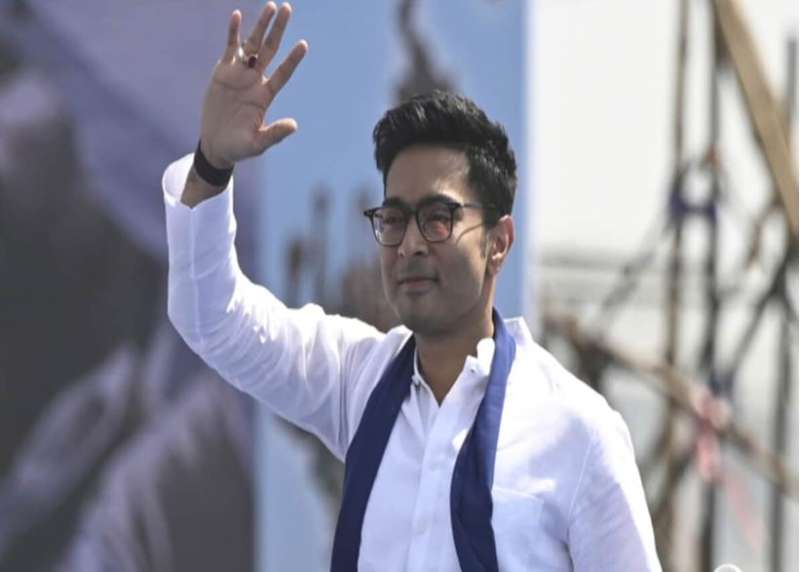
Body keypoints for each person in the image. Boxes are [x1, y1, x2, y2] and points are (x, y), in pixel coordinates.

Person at [163, 2, 662, 570]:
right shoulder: (357, 381)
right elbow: (212, 318)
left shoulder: (577, 432)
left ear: (499, 241)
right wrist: (211, 165)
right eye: (395, 219)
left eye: (438, 218)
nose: (410, 245)